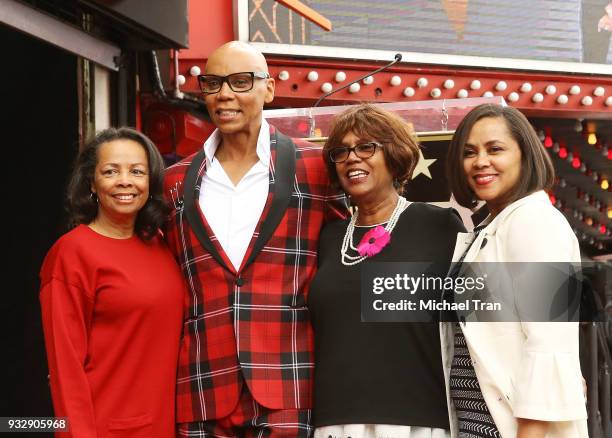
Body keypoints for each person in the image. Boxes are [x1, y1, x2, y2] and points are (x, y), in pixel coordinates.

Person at [163, 41, 348, 437]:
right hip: (202, 385)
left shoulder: (315, 168)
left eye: (240, 82)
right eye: (212, 83)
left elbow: (349, 260)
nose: (224, 94)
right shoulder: (175, 180)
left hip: (289, 381)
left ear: (269, 88)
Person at [308, 103, 466, 438]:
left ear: (394, 156)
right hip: (335, 419)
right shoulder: (328, 236)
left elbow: (478, 320)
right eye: (341, 151)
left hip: (417, 419)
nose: (352, 158)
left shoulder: (438, 226)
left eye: (366, 147)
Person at [443, 104, 588, 437]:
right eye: (469, 152)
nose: (481, 161)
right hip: (480, 422)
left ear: (525, 155)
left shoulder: (534, 221)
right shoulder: (495, 224)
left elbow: (548, 347)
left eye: (495, 149)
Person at [39, 127, 185, 437]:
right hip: (106, 428)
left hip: (167, 427)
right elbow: (66, 372)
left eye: (137, 171)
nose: (125, 181)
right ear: (91, 182)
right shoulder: (72, 254)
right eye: (110, 171)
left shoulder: (161, 245)